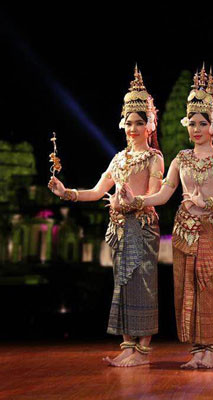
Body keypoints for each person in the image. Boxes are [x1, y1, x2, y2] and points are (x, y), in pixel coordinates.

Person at [121, 65, 213, 369]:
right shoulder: (180, 158)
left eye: (203, 123)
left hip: (211, 229)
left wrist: (208, 202)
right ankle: (195, 351)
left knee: (210, 286)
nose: (197, 129)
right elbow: (164, 194)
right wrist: (138, 200)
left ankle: (209, 350)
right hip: (184, 231)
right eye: (192, 123)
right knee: (186, 288)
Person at [49, 66, 164, 367]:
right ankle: (127, 346)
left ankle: (142, 352)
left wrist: (132, 200)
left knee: (143, 286)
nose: (133, 128)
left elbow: (153, 196)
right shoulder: (118, 159)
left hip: (141, 228)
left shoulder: (154, 158)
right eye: (129, 122)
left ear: (150, 125)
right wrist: (66, 193)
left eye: (140, 123)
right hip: (120, 230)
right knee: (122, 286)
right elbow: (97, 191)